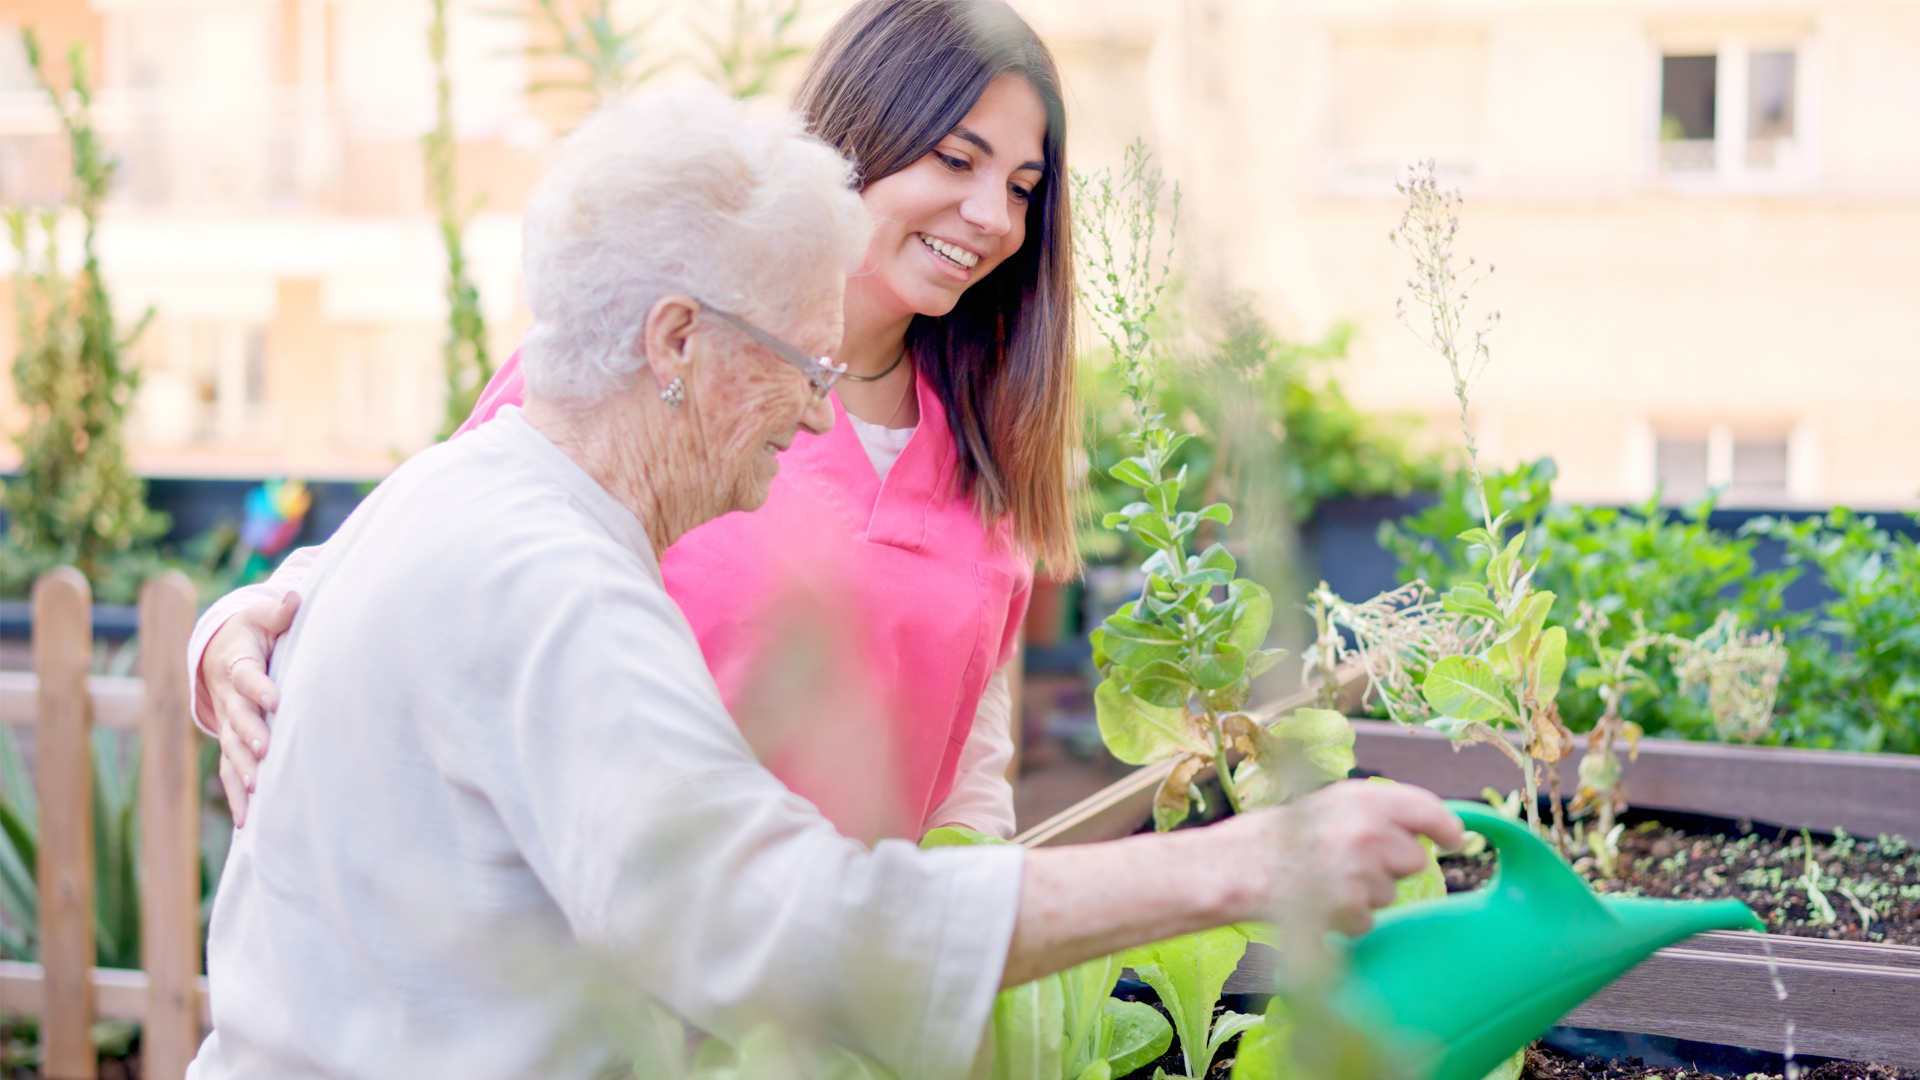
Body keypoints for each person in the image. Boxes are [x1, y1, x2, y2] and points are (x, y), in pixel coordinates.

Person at [185, 86, 1462, 1080]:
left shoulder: (461, 499)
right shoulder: (556, 583)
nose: (814, 415)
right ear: (676, 341)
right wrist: (1237, 870)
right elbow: (771, 921)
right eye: (799, 361)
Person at [194, 0, 1080, 844]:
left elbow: (967, 732)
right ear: (864, 132)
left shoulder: (983, 440)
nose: (994, 217)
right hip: (616, 969)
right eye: (958, 161)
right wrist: (238, 625)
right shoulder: (662, 352)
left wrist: (964, 879)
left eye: (1023, 187)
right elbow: (443, 547)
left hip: (851, 979)